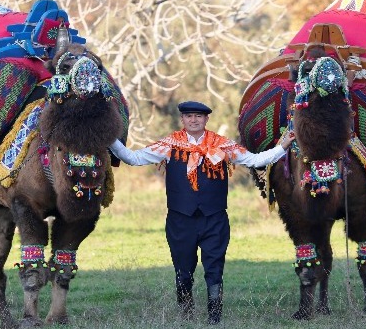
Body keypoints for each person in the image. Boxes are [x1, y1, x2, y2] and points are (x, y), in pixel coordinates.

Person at [109, 101, 294, 324]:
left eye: (198, 116)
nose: (194, 120)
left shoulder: (222, 145)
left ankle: (215, 316)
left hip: (214, 219)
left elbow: (254, 161)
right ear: (183, 120)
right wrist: (110, 139)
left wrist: (282, 147)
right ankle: (186, 313)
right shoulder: (170, 145)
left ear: (206, 120)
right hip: (180, 220)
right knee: (183, 271)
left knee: (214, 269)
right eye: (189, 116)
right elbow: (134, 158)